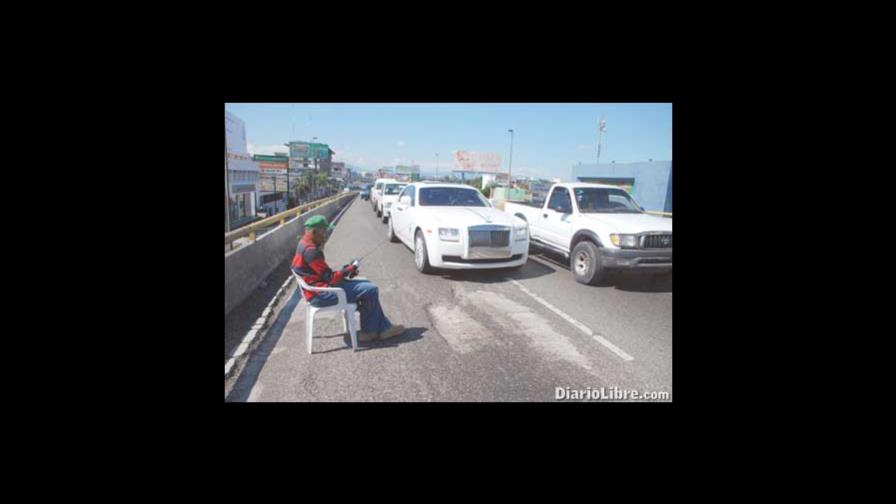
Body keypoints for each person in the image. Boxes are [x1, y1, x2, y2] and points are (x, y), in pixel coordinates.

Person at [291, 215, 405, 342]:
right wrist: (350, 268)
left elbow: (324, 274)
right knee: (371, 289)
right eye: (324, 231)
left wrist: (347, 269)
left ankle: (380, 329)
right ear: (314, 232)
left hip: (316, 290)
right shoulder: (311, 252)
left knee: (366, 287)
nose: (326, 234)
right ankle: (372, 331)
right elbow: (331, 278)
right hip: (321, 295)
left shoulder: (303, 244)